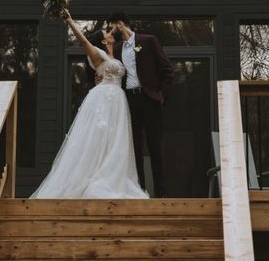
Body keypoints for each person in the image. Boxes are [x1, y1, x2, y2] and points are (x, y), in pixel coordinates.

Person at [31, 11, 147, 199]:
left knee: (115, 141)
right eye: (106, 32)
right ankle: (95, 179)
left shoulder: (116, 53)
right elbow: (84, 42)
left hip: (118, 101)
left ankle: (114, 177)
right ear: (102, 41)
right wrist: (69, 21)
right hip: (105, 99)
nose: (110, 32)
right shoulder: (98, 54)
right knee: (98, 138)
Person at [107, 12, 175, 198]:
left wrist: (160, 95)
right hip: (129, 101)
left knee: (155, 146)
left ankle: (160, 193)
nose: (109, 30)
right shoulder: (118, 48)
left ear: (120, 24)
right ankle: (140, 190)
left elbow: (168, 70)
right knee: (134, 148)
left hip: (149, 99)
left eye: (111, 26)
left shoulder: (148, 40)